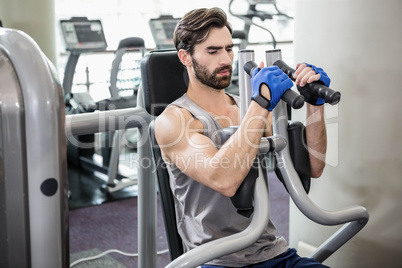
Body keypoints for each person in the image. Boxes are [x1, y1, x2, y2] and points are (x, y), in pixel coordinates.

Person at [155, 7, 330, 268]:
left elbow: (312, 168)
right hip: (214, 260)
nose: (225, 59)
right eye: (213, 51)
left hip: (273, 253)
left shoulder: (248, 109)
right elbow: (223, 179)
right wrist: (261, 102)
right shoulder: (175, 120)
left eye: (228, 49)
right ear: (185, 57)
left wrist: (314, 105)